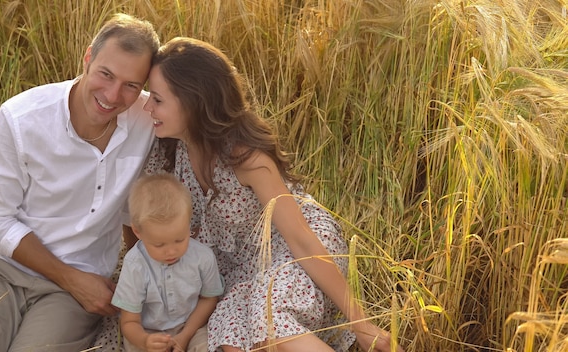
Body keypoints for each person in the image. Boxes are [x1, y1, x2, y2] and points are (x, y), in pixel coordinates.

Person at [140, 37, 405, 352]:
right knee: (232, 344)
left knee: (272, 325)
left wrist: (361, 324)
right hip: (239, 273)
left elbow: (301, 239)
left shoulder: (244, 157)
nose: (147, 107)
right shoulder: (170, 152)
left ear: (193, 101)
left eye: (157, 99)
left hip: (292, 247)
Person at [0, 13, 160, 352]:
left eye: (131, 85)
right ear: (88, 57)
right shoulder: (21, 118)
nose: (113, 94)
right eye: (106, 74)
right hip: (3, 270)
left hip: (74, 290)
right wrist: (72, 279)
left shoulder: (149, 120)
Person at [112, 173, 224, 352]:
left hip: (192, 325)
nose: (171, 251)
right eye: (159, 244)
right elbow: (129, 321)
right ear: (138, 232)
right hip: (148, 331)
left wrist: (185, 335)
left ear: (188, 223)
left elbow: (209, 299)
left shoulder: (203, 257)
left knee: (207, 346)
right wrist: (145, 341)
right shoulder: (135, 265)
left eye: (180, 239)